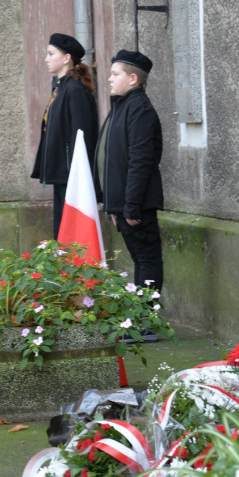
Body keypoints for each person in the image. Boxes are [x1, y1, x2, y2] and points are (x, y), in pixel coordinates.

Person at [94, 50, 164, 343]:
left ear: (133, 78)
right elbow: (112, 159)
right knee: (140, 260)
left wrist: (130, 205)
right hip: (123, 204)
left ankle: (146, 322)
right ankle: (139, 319)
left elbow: (140, 161)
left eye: (115, 74)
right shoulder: (121, 107)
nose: (109, 79)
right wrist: (113, 204)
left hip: (137, 205)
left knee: (147, 260)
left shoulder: (139, 109)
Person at [31, 32, 99, 238]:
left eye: (51, 53)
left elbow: (82, 135)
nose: (46, 58)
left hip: (72, 174)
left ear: (66, 58)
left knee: (71, 234)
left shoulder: (75, 91)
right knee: (61, 233)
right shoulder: (60, 88)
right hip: (64, 174)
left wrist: (75, 170)